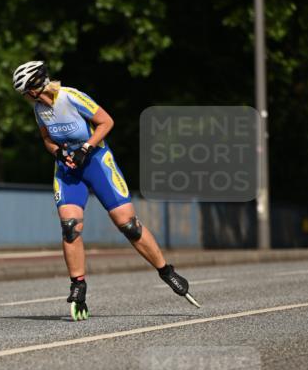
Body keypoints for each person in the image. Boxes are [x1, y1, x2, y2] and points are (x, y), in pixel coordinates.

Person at [12, 60, 200, 320]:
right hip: (68, 169)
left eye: (27, 91)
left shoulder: (71, 96)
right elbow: (46, 139)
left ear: (36, 85)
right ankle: (78, 285)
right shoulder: (38, 110)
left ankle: (166, 271)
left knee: (129, 226)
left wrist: (85, 148)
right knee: (70, 226)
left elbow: (106, 122)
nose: (27, 97)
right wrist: (58, 152)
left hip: (96, 162)